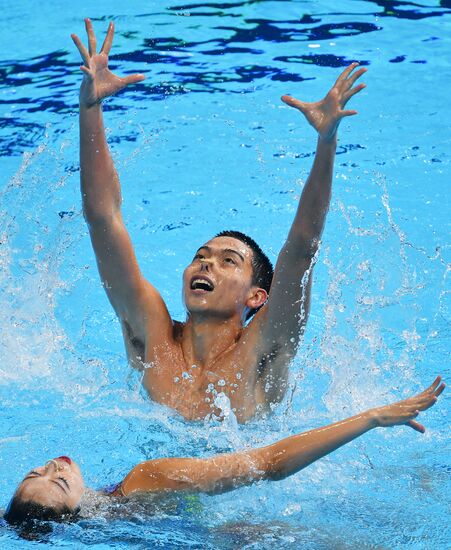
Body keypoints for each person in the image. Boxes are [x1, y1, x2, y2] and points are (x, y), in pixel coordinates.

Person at [72, 20, 367, 423]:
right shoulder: (153, 334)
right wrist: (90, 108)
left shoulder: (265, 346)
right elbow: (104, 220)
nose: (206, 263)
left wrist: (326, 141)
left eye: (229, 260)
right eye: (201, 256)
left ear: (257, 297)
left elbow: (302, 248)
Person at [4, 377, 444, 526]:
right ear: (76, 505)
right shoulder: (145, 479)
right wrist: (369, 417)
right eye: (59, 479)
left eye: (33, 473)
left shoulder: (95, 523)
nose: (53, 465)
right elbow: (269, 465)